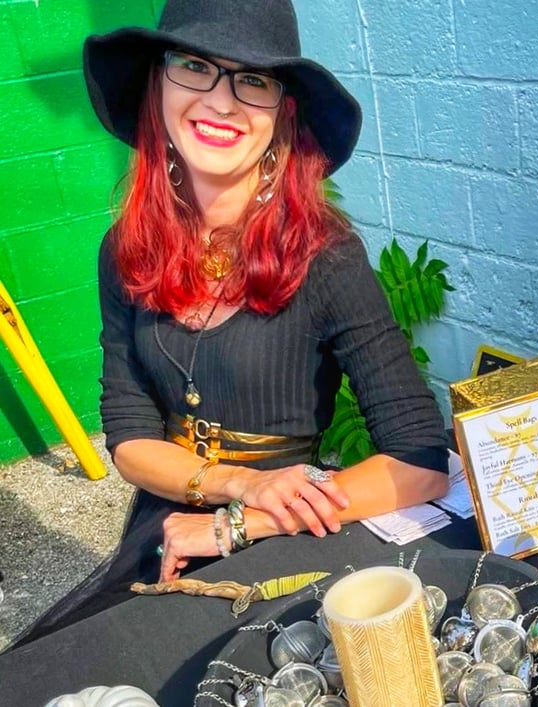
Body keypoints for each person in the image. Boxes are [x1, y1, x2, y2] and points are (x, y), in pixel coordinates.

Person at [16, 0, 449, 643]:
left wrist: (237, 521)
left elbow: (420, 462)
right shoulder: (124, 250)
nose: (221, 102)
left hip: (279, 538)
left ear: (283, 111)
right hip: (163, 517)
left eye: (254, 79)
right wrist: (231, 482)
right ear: (157, 86)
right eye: (194, 66)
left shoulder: (325, 255)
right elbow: (130, 440)